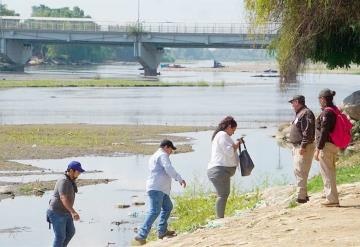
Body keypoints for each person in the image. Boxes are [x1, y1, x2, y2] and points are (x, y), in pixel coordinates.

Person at [133, 139, 186, 245]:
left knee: (168, 207)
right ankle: (141, 235)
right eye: (171, 149)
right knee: (154, 211)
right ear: (166, 147)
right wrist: (179, 178)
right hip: (157, 188)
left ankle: (162, 232)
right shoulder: (162, 155)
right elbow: (168, 168)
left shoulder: (155, 155)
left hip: (160, 189)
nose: (171, 152)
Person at [207, 116, 242, 218]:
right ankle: (219, 218)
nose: (233, 133)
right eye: (233, 130)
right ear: (229, 126)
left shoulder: (221, 135)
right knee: (223, 195)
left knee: (223, 194)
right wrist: (237, 144)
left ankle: (220, 217)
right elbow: (229, 151)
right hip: (219, 170)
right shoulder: (222, 135)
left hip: (220, 171)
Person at [47, 161, 85, 247]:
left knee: (70, 232)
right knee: (60, 237)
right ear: (71, 170)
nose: (79, 174)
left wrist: (70, 211)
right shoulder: (63, 180)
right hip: (56, 212)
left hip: (65, 212)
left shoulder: (71, 180)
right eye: (78, 171)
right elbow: (63, 198)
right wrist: (73, 212)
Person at [314, 89, 340, 207]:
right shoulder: (334, 110)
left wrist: (318, 149)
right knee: (330, 172)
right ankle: (330, 195)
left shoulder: (327, 113)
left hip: (326, 146)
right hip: (332, 145)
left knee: (327, 172)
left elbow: (324, 132)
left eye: (320, 99)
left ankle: (332, 199)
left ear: (323, 99)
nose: (319, 102)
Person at [288, 95, 315, 203]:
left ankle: (301, 198)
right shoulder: (300, 113)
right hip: (297, 147)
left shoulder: (306, 113)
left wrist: (303, 146)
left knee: (301, 171)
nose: (291, 105)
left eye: (292, 102)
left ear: (297, 102)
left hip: (303, 147)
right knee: (298, 171)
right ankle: (304, 195)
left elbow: (307, 132)